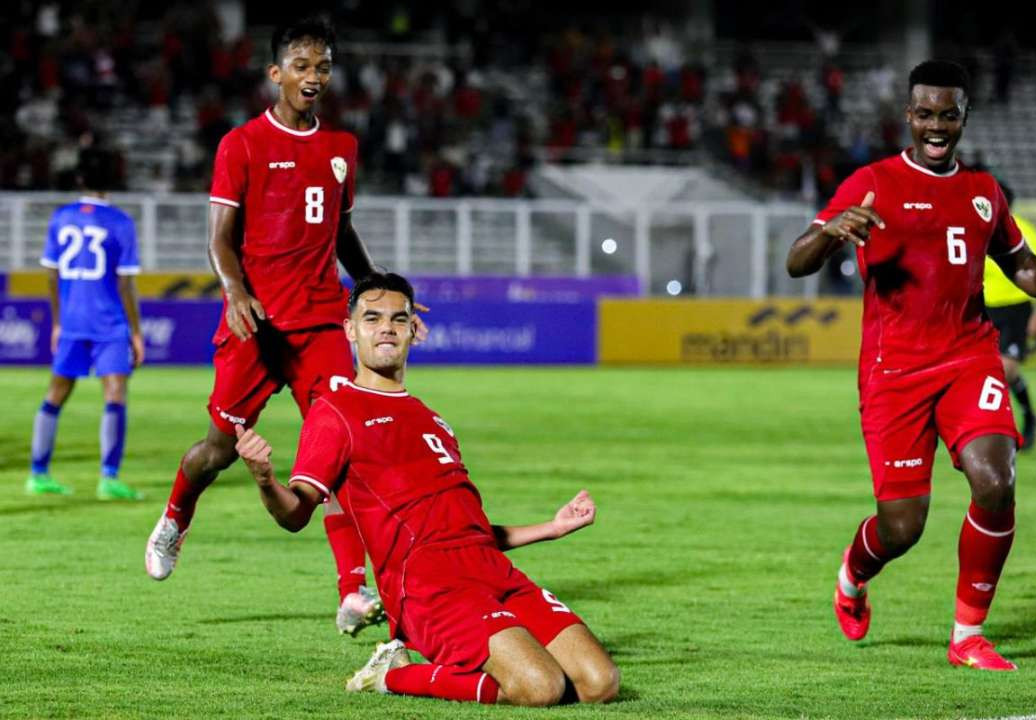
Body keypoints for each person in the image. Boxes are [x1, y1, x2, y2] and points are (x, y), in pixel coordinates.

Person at [786, 60, 1036, 671]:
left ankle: (967, 634)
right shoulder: (871, 182)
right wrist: (833, 230)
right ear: (909, 116)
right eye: (926, 114)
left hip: (969, 356)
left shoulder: (984, 191)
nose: (937, 125)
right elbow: (796, 262)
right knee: (903, 528)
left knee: (996, 482)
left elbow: (1018, 262)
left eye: (949, 114)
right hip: (894, 374)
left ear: (964, 116)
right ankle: (853, 573)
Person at [144, 16, 426, 637]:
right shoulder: (241, 144)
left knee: (342, 449)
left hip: (321, 323)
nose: (313, 77)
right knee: (217, 450)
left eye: (322, 67)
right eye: (301, 66)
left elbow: (341, 233)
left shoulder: (343, 150)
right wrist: (236, 291)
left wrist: (378, 287)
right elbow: (220, 239)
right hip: (255, 327)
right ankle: (175, 515)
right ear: (276, 73)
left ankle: (353, 589)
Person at [234, 272, 620, 706]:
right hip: (429, 589)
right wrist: (266, 480)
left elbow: (464, 530)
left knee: (599, 683)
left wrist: (551, 527)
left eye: (399, 320)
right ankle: (392, 674)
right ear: (350, 330)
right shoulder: (335, 413)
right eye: (372, 318)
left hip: (492, 573)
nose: (386, 328)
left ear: (414, 331)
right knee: (540, 687)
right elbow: (296, 513)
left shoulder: (431, 418)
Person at [27, 148, 144, 501]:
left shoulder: (61, 218)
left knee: (55, 394)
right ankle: (108, 478)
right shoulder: (121, 223)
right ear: (112, 181)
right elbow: (125, 284)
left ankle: (38, 474)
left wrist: (58, 322)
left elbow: (51, 276)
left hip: (74, 321)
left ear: (79, 180)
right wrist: (136, 332)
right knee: (115, 394)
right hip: (109, 323)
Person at [983, 182, 1036, 449]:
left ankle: (1015, 423)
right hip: (982, 309)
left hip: (1015, 308)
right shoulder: (977, 227)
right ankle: (1017, 420)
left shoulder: (1023, 230)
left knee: (1006, 368)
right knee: (986, 371)